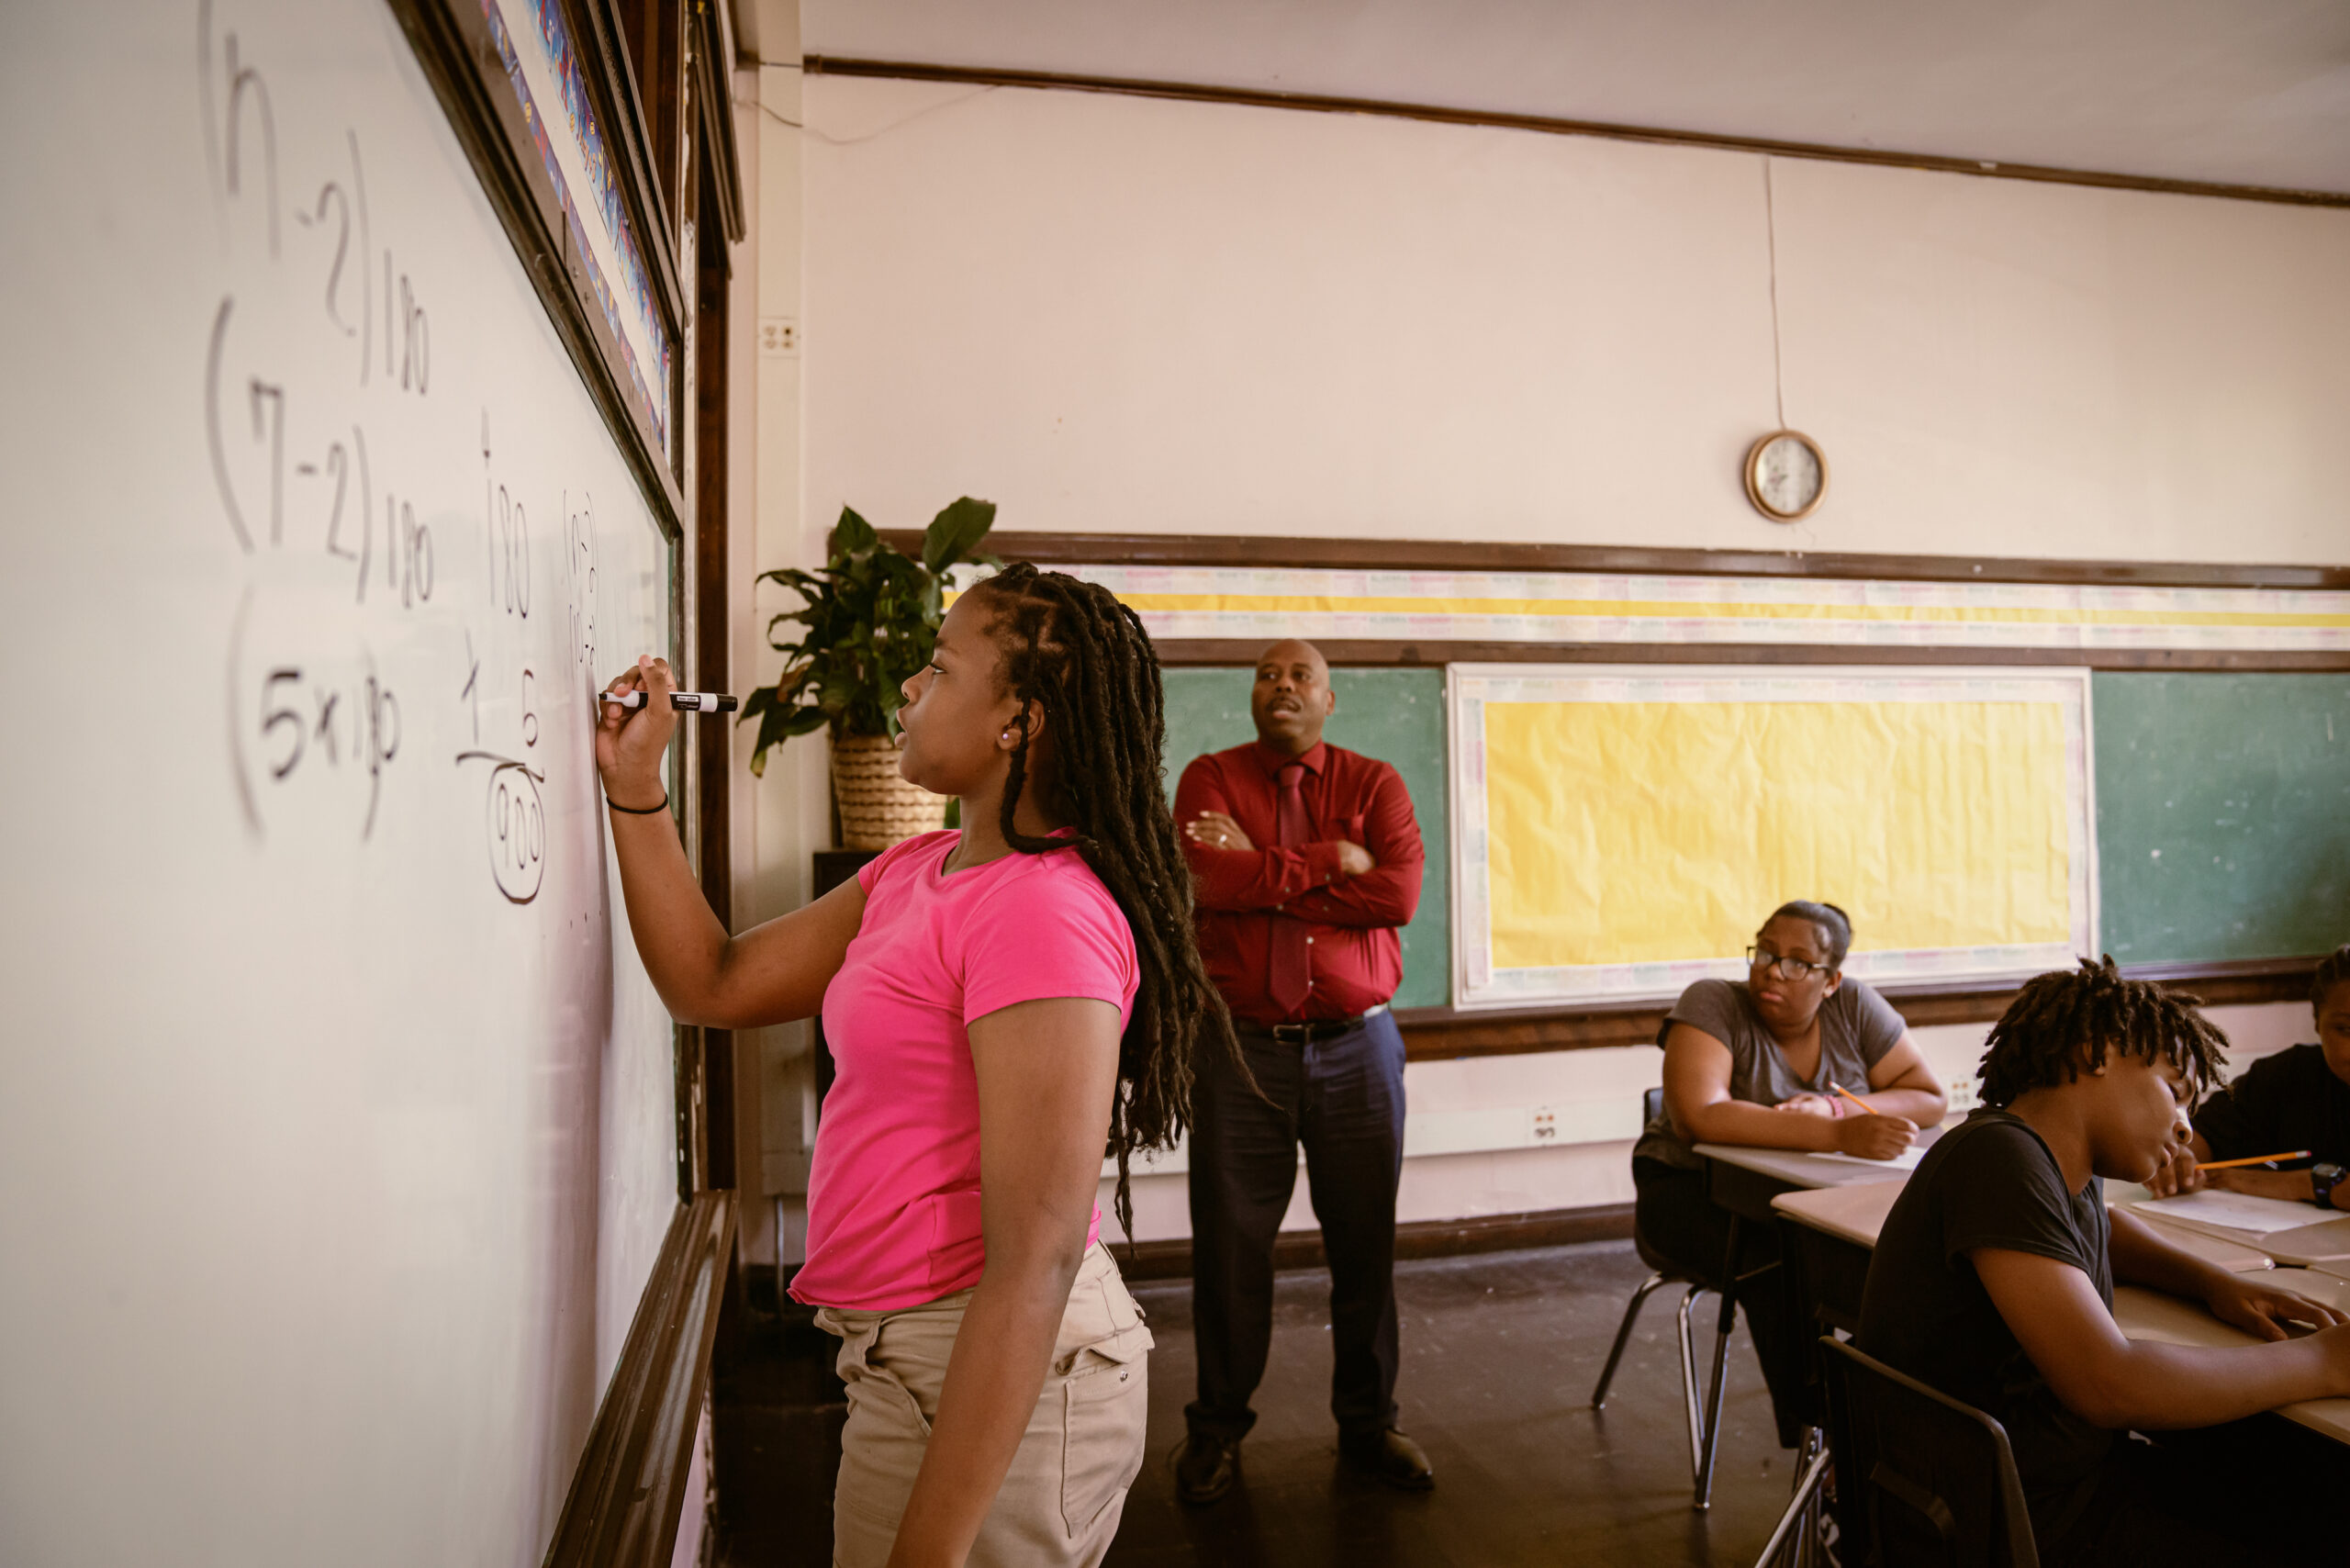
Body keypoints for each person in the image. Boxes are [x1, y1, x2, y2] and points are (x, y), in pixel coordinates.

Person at [593, 564, 1239, 1568]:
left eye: (937, 670)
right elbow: (713, 982)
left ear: (1017, 720)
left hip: (996, 1369)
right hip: (910, 1355)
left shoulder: (1041, 911)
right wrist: (637, 790)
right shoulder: (911, 874)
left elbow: (1035, 1261)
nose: (905, 689)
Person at [1858, 958, 2350, 1566]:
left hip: (2042, 1485)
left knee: (2310, 1494)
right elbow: (2107, 1384)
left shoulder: (2052, 1163)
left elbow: (2103, 1229)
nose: (2183, 1127)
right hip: (2020, 1524)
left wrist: (2211, 1282)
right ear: (2098, 1051)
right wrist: (2322, 1361)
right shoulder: (1999, 1158)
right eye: (2175, 1091)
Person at [1169, 639, 1430, 1501]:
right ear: (1252, 693)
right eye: (1266, 674)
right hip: (1241, 1051)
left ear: (1329, 698)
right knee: (1231, 1249)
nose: (1281, 686)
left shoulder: (1376, 783)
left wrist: (1263, 872)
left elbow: (1395, 897)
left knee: (1365, 1245)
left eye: (1299, 676)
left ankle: (1369, 1426)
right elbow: (1206, 877)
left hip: (1359, 1048)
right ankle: (1217, 1431)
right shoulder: (1209, 780)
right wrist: (1328, 861)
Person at [1634, 901, 1948, 1447]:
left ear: (1831, 982)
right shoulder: (1712, 1001)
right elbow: (1697, 1116)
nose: (1774, 970)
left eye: (1799, 962)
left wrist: (1834, 1108)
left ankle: (1905, 1431)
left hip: (1803, 1200)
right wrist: (1839, 1135)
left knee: (1894, 1259)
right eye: (1767, 952)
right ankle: (1821, 1445)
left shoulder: (1853, 1007)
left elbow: (1929, 1097)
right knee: (1785, 1265)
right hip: (1688, 1192)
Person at [2160, 943, 2350, 1208]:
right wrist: (2180, 1156)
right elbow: (2201, 1137)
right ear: (2317, 1021)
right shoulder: (2289, 1074)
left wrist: (2305, 1184)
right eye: (2346, 1030)